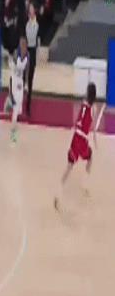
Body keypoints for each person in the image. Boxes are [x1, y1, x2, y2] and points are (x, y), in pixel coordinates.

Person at [55, 83, 98, 211]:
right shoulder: (94, 108)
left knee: (69, 166)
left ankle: (58, 192)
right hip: (83, 140)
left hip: (75, 137)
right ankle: (85, 184)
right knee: (90, 158)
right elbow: (92, 127)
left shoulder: (83, 104)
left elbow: (78, 121)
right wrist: (95, 140)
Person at [4, 37, 28, 143]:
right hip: (13, 81)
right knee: (16, 107)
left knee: (18, 109)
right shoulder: (15, 54)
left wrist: (26, 84)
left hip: (20, 83)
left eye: (24, 44)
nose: (23, 46)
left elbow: (26, 70)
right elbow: (11, 74)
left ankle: (10, 102)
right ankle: (13, 134)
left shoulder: (27, 56)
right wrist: (10, 92)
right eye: (21, 44)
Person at [25, 3, 39, 116]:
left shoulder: (36, 24)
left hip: (32, 50)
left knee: (30, 79)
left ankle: (28, 106)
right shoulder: (27, 23)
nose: (30, 11)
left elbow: (33, 38)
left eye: (32, 9)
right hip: (25, 49)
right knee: (22, 77)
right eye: (29, 9)